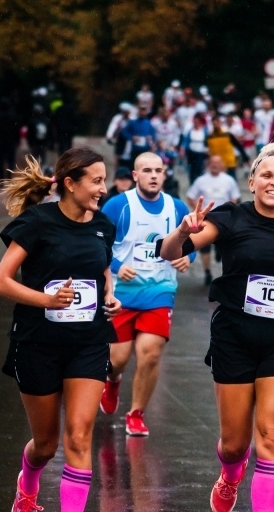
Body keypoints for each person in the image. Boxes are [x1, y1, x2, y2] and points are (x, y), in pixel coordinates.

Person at [159, 142, 274, 512]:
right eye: (267, 176)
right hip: (235, 336)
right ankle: (230, 473)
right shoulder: (231, 217)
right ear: (252, 181)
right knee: (235, 444)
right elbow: (170, 251)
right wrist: (182, 231)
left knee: (272, 436)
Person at [0, 147, 121, 512]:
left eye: (104, 179)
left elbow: (102, 269)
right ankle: (28, 482)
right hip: (37, 343)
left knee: (80, 437)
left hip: (89, 342)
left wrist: (109, 296)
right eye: (96, 181)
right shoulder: (36, 222)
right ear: (69, 183)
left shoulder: (102, 225)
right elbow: (1, 283)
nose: (103, 188)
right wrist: (46, 300)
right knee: (46, 445)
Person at [99, 152, 194, 437]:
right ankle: (112, 380)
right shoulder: (118, 205)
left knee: (149, 354)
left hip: (159, 292)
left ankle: (136, 413)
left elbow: (192, 241)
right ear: (135, 175)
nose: (153, 175)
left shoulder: (176, 207)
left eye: (159, 170)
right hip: (120, 294)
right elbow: (95, 243)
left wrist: (186, 257)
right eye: (147, 170)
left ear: (165, 175)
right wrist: (116, 265)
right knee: (118, 359)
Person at [186, 155, 241, 285]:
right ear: (208, 164)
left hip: (224, 219)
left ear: (222, 165)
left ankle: (222, 261)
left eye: (218, 163)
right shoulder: (201, 180)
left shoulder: (229, 180)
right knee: (204, 247)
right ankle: (207, 273)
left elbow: (235, 198)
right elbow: (190, 196)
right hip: (206, 218)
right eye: (212, 163)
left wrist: (230, 210)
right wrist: (198, 211)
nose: (215, 165)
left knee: (225, 246)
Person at [206, 116, 248, 180]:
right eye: (214, 124)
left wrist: (245, 158)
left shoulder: (227, 135)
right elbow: (208, 150)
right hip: (218, 165)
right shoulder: (210, 137)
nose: (215, 126)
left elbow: (238, 146)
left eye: (216, 124)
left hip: (229, 163)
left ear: (220, 123)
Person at [0, 98, 22, 183]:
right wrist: (17, 140)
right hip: (11, 142)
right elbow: (17, 130)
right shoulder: (13, 116)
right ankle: (8, 175)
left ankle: (1, 179)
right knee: (10, 160)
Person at [181, 113, 210, 184]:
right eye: (195, 122)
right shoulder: (190, 131)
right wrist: (182, 149)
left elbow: (207, 142)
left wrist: (208, 150)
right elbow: (186, 141)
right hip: (192, 153)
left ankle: (200, 184)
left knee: (199, 170)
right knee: (192, 170)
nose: (196, 123)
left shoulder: (204, 131)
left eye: (197, 122)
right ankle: (192, 183)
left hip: (200, 153)